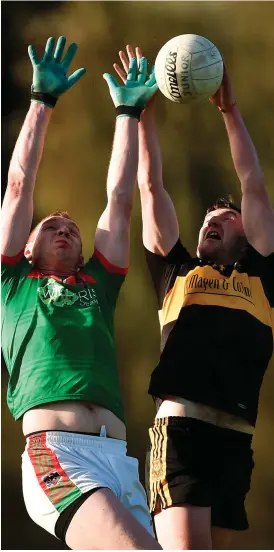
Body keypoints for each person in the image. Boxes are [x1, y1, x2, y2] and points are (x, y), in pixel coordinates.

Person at [1, 36, 161, 550]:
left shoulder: (99, 282)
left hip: (119, 460)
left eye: (71, 227)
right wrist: (41, 103)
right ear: (26, 248)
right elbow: (21, 183)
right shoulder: (12, 285)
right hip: (58, 454)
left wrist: (127, 114)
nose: (65, 229)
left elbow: (119, 197)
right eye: (51, 227)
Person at [114, 46, 274, 549]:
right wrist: (143, 117)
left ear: (247, 232)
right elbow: (150, 186)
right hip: (182, 431)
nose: (212, 219)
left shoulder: (262, 277)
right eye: (207, 217)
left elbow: (253, 185)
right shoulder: (177, 271)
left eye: (224, 218)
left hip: (235, 437)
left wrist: (230, 111)